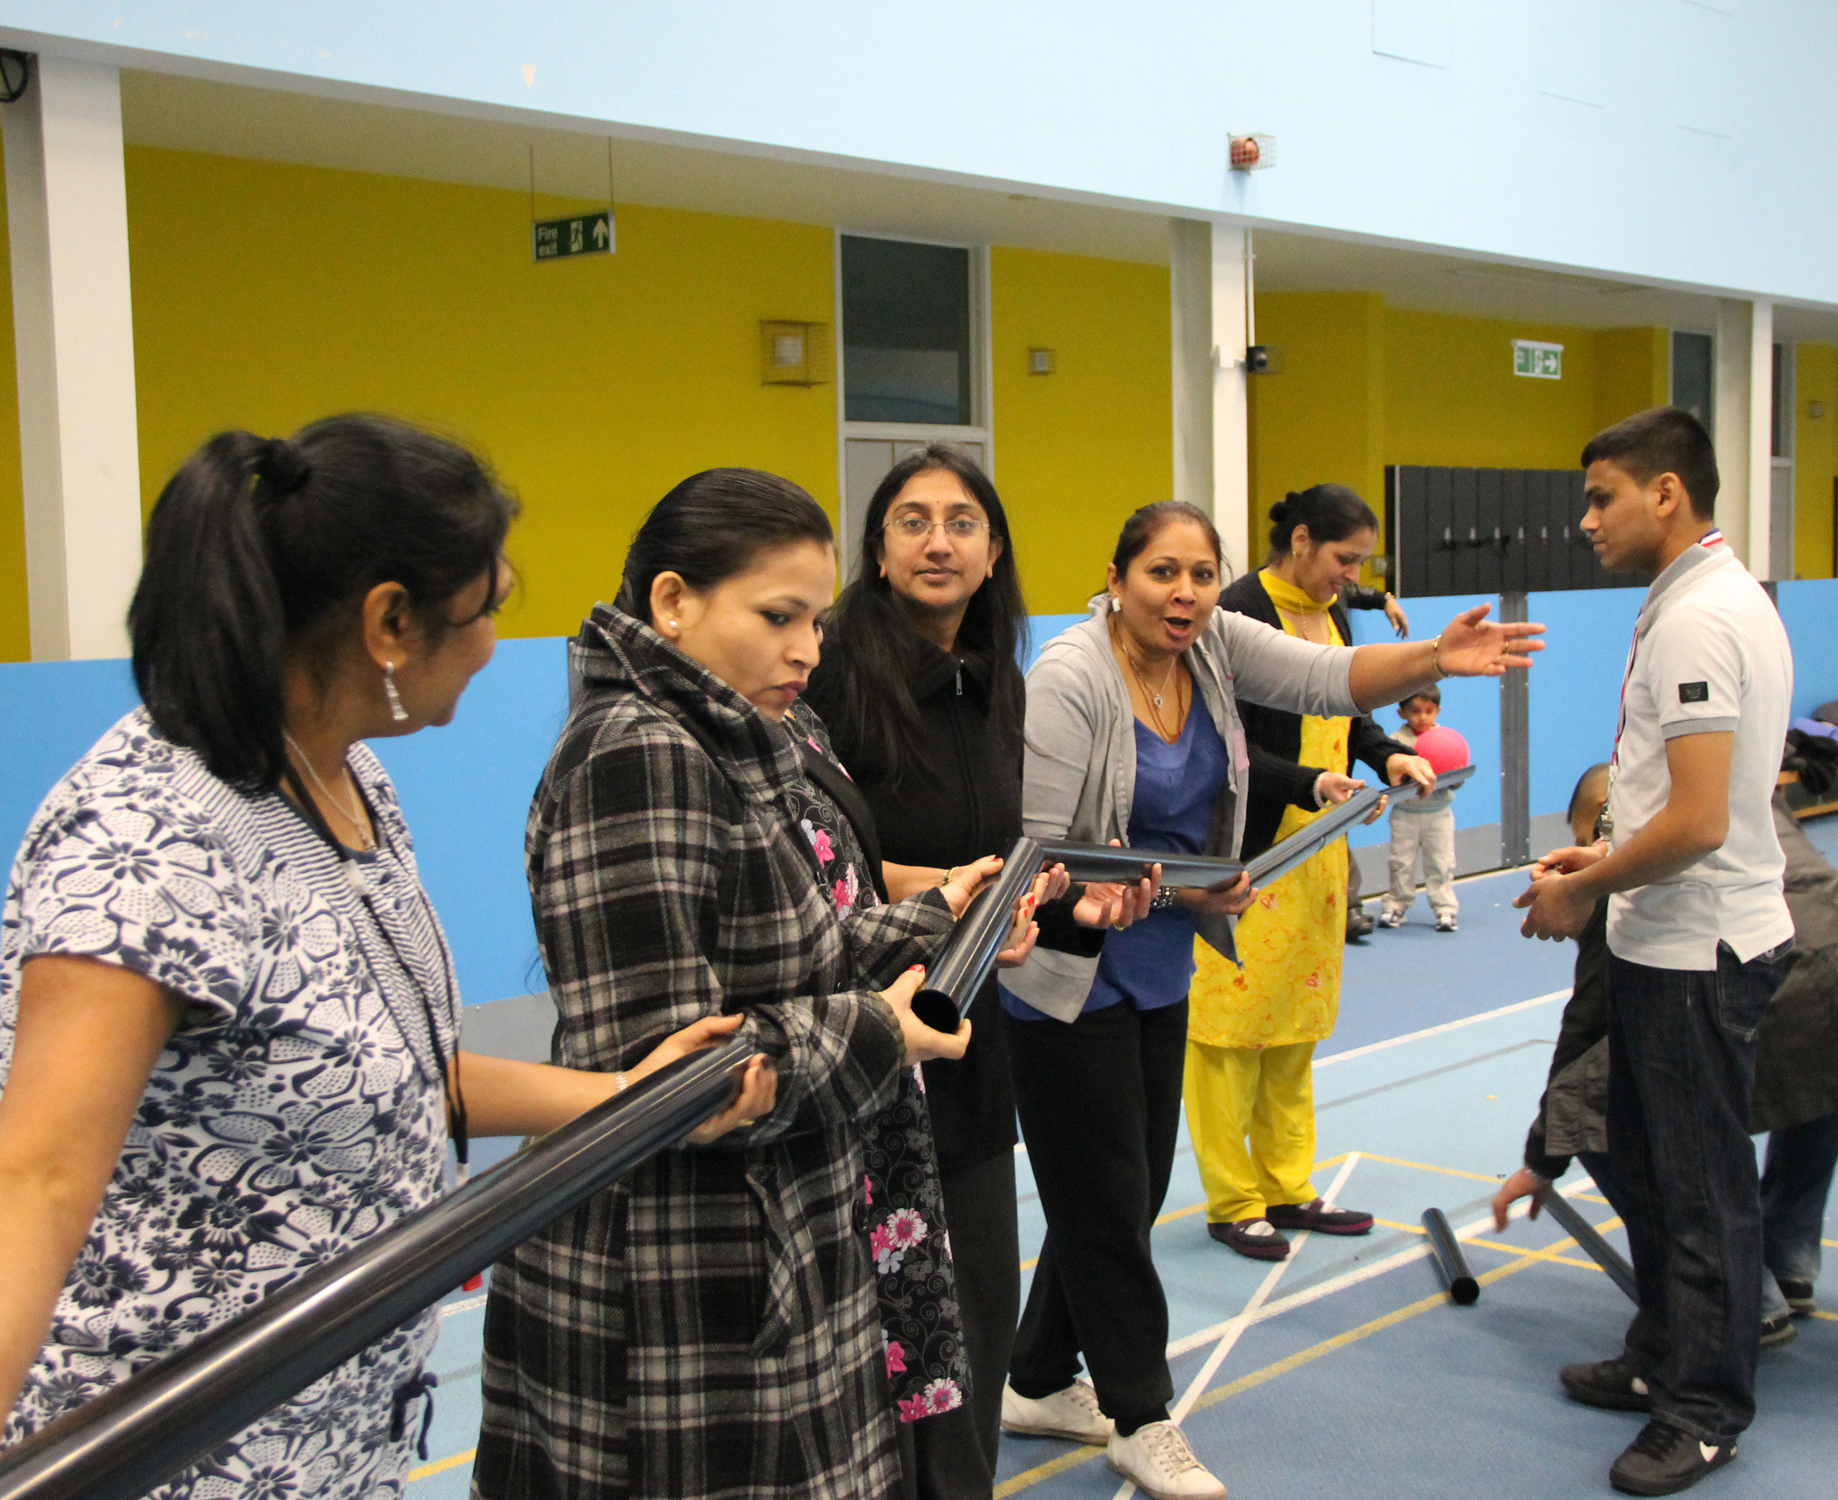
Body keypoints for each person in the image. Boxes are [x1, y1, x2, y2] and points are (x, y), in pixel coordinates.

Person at [0, 417, 775, 1500]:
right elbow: (35, 1174)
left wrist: (626, 1093)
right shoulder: (152, 836)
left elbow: (397, 1077)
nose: (490, 647)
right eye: (483, 613)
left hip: (343, 1435)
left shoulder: (345, 781)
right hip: (180, 1456)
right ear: (390, 621)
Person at [474, 469, 1022, 1500]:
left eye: (815, 619)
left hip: (788, 1225)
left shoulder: (758, 724)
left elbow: (807, 946)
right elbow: (673, 1075)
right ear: (674, 601)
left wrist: (946, 913)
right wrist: (883, 1034)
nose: (809, 650)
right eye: (778, 617)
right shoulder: (636, 752)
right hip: (685, 1269)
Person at [1004, 500, 1543, 1500]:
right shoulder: (1071, 678)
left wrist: (1434, 658)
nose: (1186, 593)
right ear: (1115, 577)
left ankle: (1036, 1377)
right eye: (1163, 573)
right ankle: (1139, 1412)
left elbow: (1327, 675)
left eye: (1203, 574)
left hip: (1162, 962)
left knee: (1121, 1190)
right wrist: (1180, 885)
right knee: (1108, 1201)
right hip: (1064, 976)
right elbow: (1039, 857)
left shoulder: (1211, 650)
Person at [802, 444, 1120, 1498]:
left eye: (962, 522)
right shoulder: (829, 676)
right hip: (860, 1034)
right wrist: (945, 891)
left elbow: (1011, 854)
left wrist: (1074, 894)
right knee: (876, 1336)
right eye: (912, 521)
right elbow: (818, 857)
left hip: (972, 1040)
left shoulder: (1001, 686)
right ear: (879, 553)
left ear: (994, 555)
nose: (939, 541)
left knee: (978, 1306)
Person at [1514, 407, 1794, 1497]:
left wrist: (1585, 887)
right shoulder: (1702, 599)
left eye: (1602, 498)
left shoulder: (1699, 619)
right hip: (1661, 942)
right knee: (1636, 1162)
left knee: (1700, 1189)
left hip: (1697, 951)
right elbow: (1664, 803)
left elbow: (1700, 821)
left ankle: (1707, 1408)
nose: (1586, 520)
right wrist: (1595, 854)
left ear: (1665, 493)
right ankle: (1663, 1356)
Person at [1494, 768, 1838, 1343]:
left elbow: (1593, 1013)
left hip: (1776, 971)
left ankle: (1740, 1298)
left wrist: (1543, 1159)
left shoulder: (1635, 843)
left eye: (1581, 835)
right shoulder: (1729, 783)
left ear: (1603, 813)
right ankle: (1788, 1262)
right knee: (1819, 1070)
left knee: (1588, 1108)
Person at [1185, 485, 1434, 1261]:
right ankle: (1233, 1200)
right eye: (1343, 559)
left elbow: (1344, 700)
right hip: (1249, 854)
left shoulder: (1332, 613)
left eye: (1361, 563)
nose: (1352, 577)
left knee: (1294, 1027)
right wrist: (1309, 784)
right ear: (1299, 541)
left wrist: (1386, 750)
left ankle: (1288, 1184)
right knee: (1228, 1039)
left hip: (1318, 856)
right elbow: (1217, 744)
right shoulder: (1232, 615)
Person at [1377, 690, 1460, 932]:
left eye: (1429, 711)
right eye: (1415, 711)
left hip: (1439, 815)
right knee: (1400, 862)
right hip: (1405, 815)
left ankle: (1445, 909)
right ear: (1401, 713)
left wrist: (1454, 777)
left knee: (1442, 862)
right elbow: (1391, 771)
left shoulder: (1446, 741)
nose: (1423, 717)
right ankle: (1396, 905)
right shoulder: (1395, 743)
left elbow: (1456, 771)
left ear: (1438, 712)